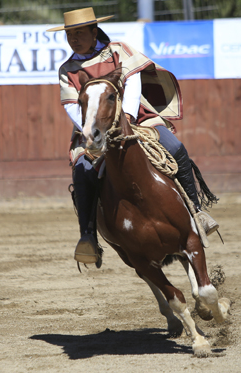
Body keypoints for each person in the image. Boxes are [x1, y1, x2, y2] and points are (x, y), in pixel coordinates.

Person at [46, 8, 219, 264]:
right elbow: (72, 105)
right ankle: (88, 237)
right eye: (70, 34)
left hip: (136, 119)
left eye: (79, 33)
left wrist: (125, 117)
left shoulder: (119, 50)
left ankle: (197, 212)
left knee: (174, 146)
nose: (74, 38)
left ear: (94, 31)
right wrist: (90, 127)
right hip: (91, 129)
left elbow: (134, 82)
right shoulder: (67, 69)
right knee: (82, 168)